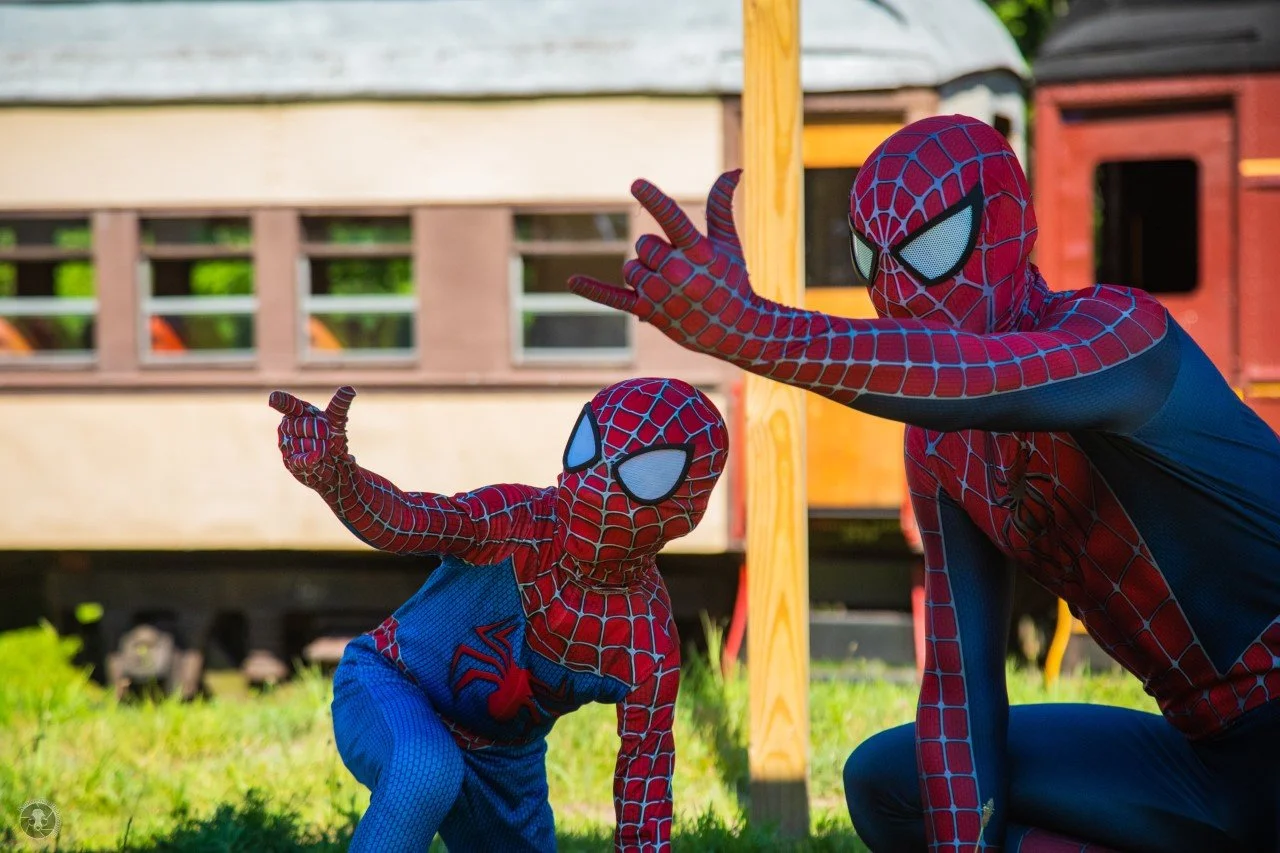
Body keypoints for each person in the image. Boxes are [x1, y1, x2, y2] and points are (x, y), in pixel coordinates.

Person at [567, 114, 1280, 852]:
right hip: (1209, 754)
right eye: (872, 258)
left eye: (932, 249)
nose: (898, 288)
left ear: (1011, 225)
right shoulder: (942, 447)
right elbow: (958, 689)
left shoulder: (1126, 338)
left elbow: (978, 375)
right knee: (892, 783)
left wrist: (752, 330)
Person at [268, 377, 729, 852]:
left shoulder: (645, 642)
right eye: (588, 450)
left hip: (505, 760)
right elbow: (406, 521)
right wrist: (338, 478)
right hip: (390, 680)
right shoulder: (517, 519)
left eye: (644, 475)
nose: (594, 486)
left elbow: (645, 799)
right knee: (424, 768)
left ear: (688, 507)